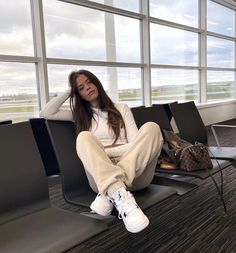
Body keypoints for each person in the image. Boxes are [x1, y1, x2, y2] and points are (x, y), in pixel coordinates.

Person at [40, 69, 163, 233]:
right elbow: (46, 113)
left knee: (152, 128)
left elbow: (136, 144)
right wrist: (70, 90)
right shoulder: (79, 116)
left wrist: (104, 152)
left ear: (96, 82)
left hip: (136, 172)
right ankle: (118, 194)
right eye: (81, 88)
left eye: (89, 82)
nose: (87, 88)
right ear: (79, 95)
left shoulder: (122, 108)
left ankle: (110, 192)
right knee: (84, 137)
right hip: (99, 178)